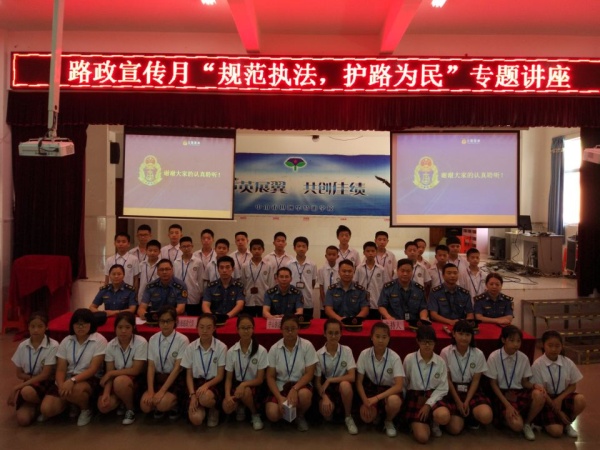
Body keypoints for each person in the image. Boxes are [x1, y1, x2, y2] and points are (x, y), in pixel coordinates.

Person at [40, 308, 107, 426]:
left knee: (75, 391)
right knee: (47, 409)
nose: (80, 327)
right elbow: (61, 368)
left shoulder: (99, 340)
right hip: (68, 378)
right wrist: (61, 385)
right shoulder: (67, 341)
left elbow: (93, 369)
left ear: (91, 324)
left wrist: (72, 380)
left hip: (88, 378)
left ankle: (86, 409)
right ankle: (71, 403)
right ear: (72, 325)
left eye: (84, 324)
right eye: (77, 324)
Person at [485, 325, 546, 441]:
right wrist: (507, 405)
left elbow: (524, 382)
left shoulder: (523, 358)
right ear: (503, 340)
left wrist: (535, 386)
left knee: (539, 394)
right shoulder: (494, 357)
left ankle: (527, 424)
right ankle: (509, 419)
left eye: (518, 341)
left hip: (518, 392)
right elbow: (493, 384)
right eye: (512, 340)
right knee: (517, 426)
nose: (516, 344)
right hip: (501, 394)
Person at [266, 315, 318, 432]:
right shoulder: (274, 348)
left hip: (300, 385)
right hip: (281, 385)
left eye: (293, 328)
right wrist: (279, 397)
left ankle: (299, 416)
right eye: (286, 329)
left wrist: (295, 389)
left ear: (298, 328)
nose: (290, 332)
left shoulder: (307, 346)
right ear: (281, 329)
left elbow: (309, 374)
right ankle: (288, 415)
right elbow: (270, 376)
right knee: (272, 414)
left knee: (304, 395)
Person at [440, 320, 493, 435]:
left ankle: (470, 415)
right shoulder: (445, 352)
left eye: (467, 334)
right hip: (452, 390)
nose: (464, 338)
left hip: (471, 390)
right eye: (460, 334)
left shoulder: (478, 354)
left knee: (486, 416)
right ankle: (460, 417)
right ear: (454, 334)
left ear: (472, 336)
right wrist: (458, 402)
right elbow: (447, 379)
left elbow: (476, 381)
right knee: (455, 429)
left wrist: (467, 401)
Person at [531, 330, 586, 439]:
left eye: (557, 346)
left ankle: (567, 423)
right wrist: (558, 411)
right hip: (547, 399)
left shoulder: (567, 362)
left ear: (562, 346)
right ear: (543, 345)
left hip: (563, 396)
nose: (554, 349)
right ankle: (548, 422)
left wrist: (560, 399)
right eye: (550, 345)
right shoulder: (537, 365)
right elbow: (541, 391)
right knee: (556, 432)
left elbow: (573, 385)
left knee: (581, 400)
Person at [8, 312, 58, 426]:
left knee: (27, 391)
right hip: (31, 382)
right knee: (23, 420)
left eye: (40, 326)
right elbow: (19, 374)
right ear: (28, 327)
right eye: (32, 326)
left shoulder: (53, 345)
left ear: (46, 327)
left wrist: (16, 387)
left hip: (48, 382)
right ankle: (36, 405)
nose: (36, 330)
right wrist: (33, 378)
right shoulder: (22, 346)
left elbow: (45, 375)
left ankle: (45, 404)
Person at [98, 311, 148, 425]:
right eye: (120, 327)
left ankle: (130, 409)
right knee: (103, 407)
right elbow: (109, 372)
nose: (123, 331)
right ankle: (122, 401)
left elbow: (136, 370)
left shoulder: (141, 342)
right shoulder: (111, 345)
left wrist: (111, 374)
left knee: (120, 381)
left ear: (133, 327)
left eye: (127, 327)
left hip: (136, 380)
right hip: (117, 380)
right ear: (115, 328)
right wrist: (106, 393)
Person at [402, 325, 451, 443]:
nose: (427, 345)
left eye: (430, 342)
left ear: (435, 343)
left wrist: (428, 404)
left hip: (433, 396)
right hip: (415, 397)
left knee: (443, 416)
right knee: (423, 438)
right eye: (424, 342)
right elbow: (404, 383)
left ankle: (434, 422)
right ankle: (416, 423)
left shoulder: (440, 362)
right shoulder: (409, 359)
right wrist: (403, 405)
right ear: (418, 341)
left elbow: (443, 388)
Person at [140, 306, 189, 420]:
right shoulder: (153, 339)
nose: (165, 324)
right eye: (162, 321)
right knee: (145, 406)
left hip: (174, 379)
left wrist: (162, 391)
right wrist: (151, 391)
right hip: (158, 378)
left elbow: (177, 369)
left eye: (168, 321)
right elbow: (151, 366)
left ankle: (174, 405)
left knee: (162, 404)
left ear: (175, 321)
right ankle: (159, 403)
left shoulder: (182, 340)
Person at [356, 321, 404, 437]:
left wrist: (376, 398)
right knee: (366, 418)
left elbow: (399, 386)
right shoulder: (364, 354)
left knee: (394, 401)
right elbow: (359, 382)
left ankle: (388, 421)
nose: (381, 340)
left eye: (384, 337)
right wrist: (365, 401)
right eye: (377, 336)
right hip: (370, 389)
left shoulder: (395, 357)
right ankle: (377, 415)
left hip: (388, 390)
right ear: (371, 337)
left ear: (389, 339)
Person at [222, 314, 268, 431]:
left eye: (249, 328)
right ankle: (241, 406)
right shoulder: (231, 351)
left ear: (253, 329)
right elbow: (228, 378)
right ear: (237, 330)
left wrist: (244, 385)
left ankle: (254, 414)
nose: (246, 331)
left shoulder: (261, 351)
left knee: (246, 391)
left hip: (254, 386)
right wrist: (227, 395)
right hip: (237, 385)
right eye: (243, 328)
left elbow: (260, 379)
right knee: (227, 407)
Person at [182, 313, 227, 428]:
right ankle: (201, 406)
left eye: (208, 327)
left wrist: (206, 385)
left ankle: (213, 409)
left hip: (213, 383)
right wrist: (192, 395)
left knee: (205, 397)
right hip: (196, 384)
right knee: (196, 419)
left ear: (214, 328)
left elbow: (220, 376)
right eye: (201, 327)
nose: (205, 331)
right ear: (197, 328)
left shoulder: (221, 347)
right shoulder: (190, 347)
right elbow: (188, 375)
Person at [314, 319, 358, 435]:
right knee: (327, 414)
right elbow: (317, 383)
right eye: (330, 333)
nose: (333, 336)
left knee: (345, 385)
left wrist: (330, 380)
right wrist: (324, 397)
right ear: (324, 333)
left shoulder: (347, 351)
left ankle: (348, 417)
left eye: (336, 333)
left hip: (342, 385)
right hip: (326, 389)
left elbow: (352, 377)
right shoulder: (318, 354)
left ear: (341, 333)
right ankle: (333, 411)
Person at [241, 238, 275, 317]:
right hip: (249, 300)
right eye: (254, 249)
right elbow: (243, 283)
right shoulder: (245, 265)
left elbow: (271, 284)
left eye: (259, 249)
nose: (257, 251)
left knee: (262, 322)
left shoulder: (268, 265)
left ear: (263, 250)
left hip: (264, 300)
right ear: (250, 250)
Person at [354, 241, 388, 319]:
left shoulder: (381, 269)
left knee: (375, 323)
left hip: (376, 303)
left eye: (373, 251)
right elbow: (355, 284)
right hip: (361, 303)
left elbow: (384, 287)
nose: (370, 253)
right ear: (364, 253)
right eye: (368, 251)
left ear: (376, 252)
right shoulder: (359, 268)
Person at [288, 236, 317, 319]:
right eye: (299, 246)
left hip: (307, 299)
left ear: (307, 248)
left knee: (307, 322)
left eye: (304, 246)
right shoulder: (289, 264)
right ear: (294, 248)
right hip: (292, 299)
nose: (301, 248)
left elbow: (313, 282)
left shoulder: (312, 264)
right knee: (291, 321)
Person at [173, 236, 204, 304]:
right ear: (180, 248)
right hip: (178, 293)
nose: (186, 248)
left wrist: (200, 292)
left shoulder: (198, 262)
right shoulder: (176, 262)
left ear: (192, 246)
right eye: (184, 246)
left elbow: (200, 280)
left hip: (193, 294)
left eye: (188, 246)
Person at [317, 246, 340, 318]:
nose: (331, 257)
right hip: (325, 302)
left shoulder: (340, 269)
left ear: (337, 256)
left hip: (338, 302)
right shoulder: (321, 270)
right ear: (326, 256)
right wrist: (325, 303)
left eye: (334, 255)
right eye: (329, 254)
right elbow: (321, 287)